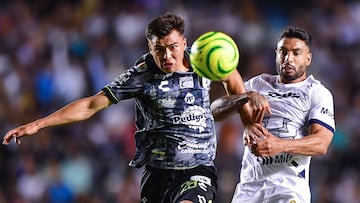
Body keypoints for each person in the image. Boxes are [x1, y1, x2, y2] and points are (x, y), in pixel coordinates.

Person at [2, 13, 267, 203]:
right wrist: (39, 123)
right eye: (159, 50)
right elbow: (92, 104)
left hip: (198, 170)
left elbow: (231, 77)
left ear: (184, 43)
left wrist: (248, 122)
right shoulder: (141, 74)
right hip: (156, 173)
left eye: (173, 47)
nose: (167, 57)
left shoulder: (204, 60)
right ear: (150, 48)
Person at [212, 26, 335, 203]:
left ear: (308, 59)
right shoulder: (258, 84)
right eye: (283, 52)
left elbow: (322, 143)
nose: (288, 58)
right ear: (276, 54)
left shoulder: (316, 92)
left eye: (296, 53)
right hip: (249, 188)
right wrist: (243, 97)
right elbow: (214, 111)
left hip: (288, 189)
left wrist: (280, 145)